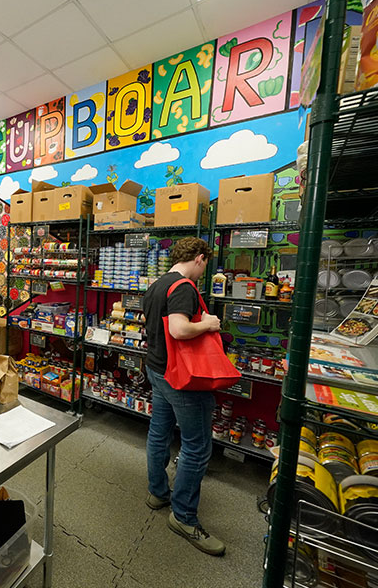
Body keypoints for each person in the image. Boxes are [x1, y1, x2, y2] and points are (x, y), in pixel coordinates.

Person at [141, 237, 225, 556]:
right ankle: (184, 517)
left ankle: (158, 492)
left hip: (157, 369)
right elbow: (177, 329)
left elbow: (153, 326)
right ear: (200, 259)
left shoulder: (156, 284)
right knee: (197, 445)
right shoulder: (186, 287)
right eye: (205, 265)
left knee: (159, 433)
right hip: (182, 377)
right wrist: (207, 323)